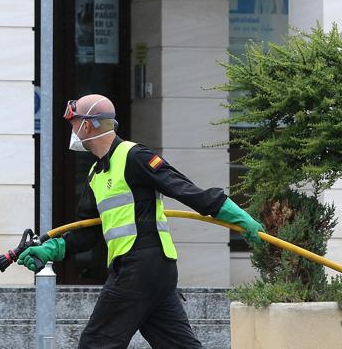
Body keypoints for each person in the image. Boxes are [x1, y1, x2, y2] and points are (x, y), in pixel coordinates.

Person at [17, 94, 266, 348]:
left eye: (74, 122)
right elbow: (87, 232)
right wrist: (50, 248)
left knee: (96, 343)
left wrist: (241, 218)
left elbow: (185, 190)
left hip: (140, 265)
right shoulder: (96, 174)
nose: (72, 130)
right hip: (150, 272)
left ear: (87, 124)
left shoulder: (134, 156)